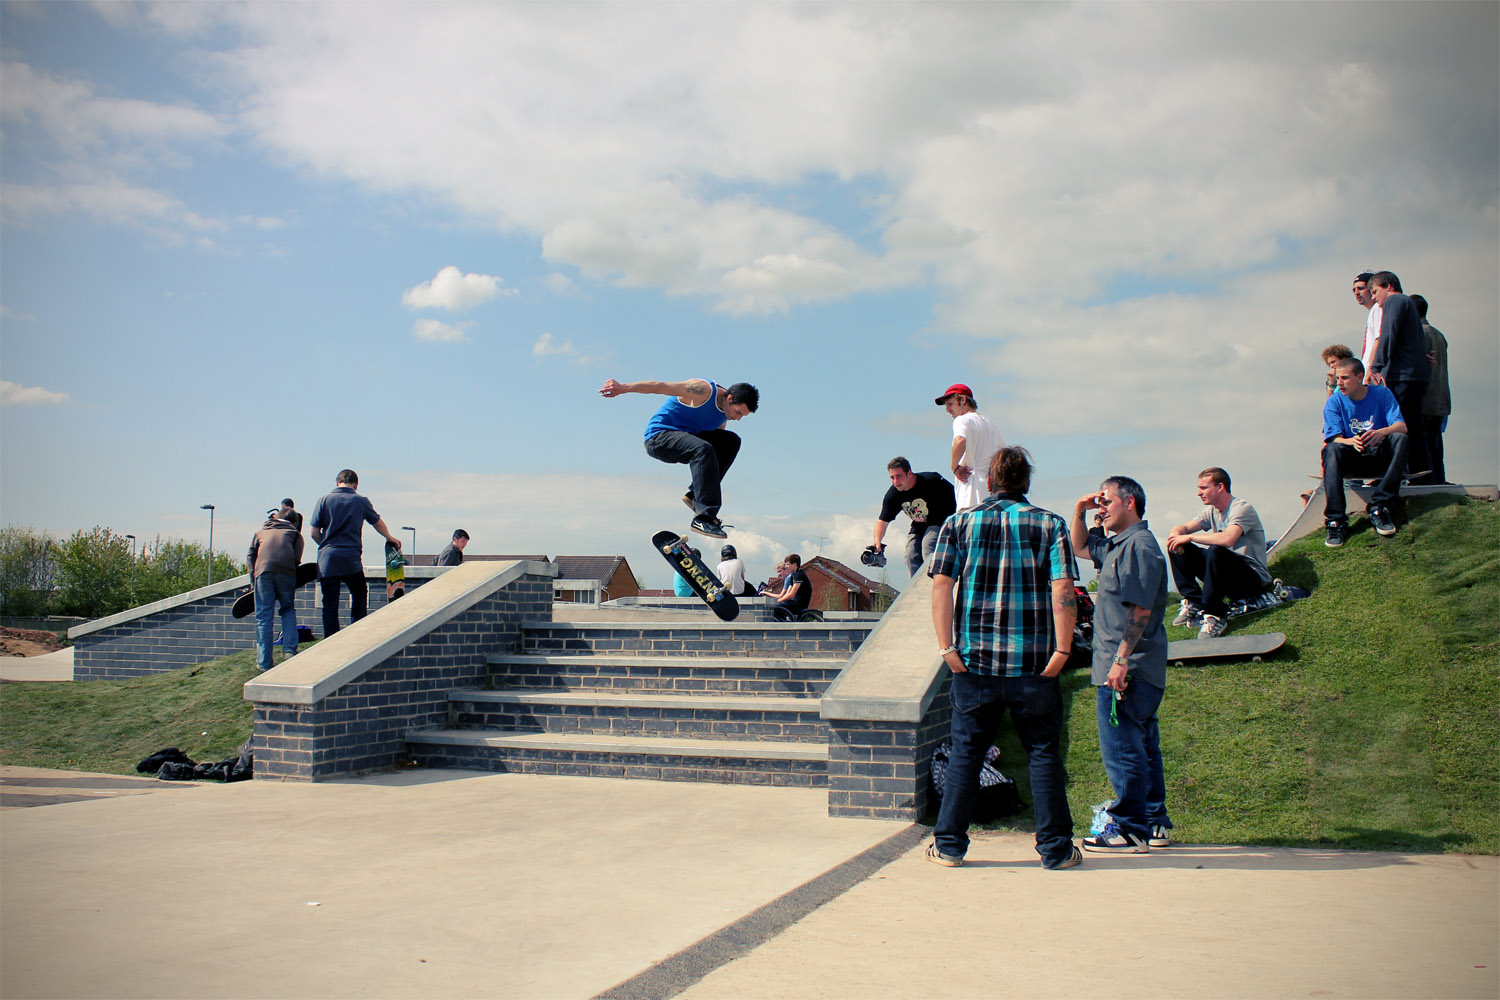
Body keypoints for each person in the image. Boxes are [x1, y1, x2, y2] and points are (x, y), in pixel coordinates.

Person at [926, 447, 1081, 871]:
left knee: (966, 754)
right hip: (1035, 664)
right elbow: (1063, 588)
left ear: (989, 481)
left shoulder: (958, 523)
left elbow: (941, 586)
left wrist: (947, 648)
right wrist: (1063, 650)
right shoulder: (1050, 524)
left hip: (974, 664)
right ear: (1026, 482)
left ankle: (950, 846)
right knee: (1044, 755)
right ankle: (1056, 850)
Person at [1070, 476, 1173, 853]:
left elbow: (1141, 610)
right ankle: (1154, 822)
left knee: (1123, 748)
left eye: (1107, 501)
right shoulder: (1118, 546)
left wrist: (1120, 660)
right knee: (1143, 747)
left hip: (1127, 669)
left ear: (1130, 502)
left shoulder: (1138, 547)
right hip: (1129, 666)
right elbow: (1080, 546)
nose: (1101, 509)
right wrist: (1079, 511)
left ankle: (1130, 828)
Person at [598, 377, 760, 539]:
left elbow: (715, 455)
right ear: (729, 398)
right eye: (738, 412)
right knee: (703, 449)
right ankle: (704, 518)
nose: (738, 418)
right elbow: (660, 386)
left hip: (686, 438)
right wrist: (623, 387)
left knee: (731, 442)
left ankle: (695, 496)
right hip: (658, 437)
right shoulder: (703, 391)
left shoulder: (724, 415)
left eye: (742, 416)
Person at [1165, 468, 1272, 639]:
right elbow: (1183, 527)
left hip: (1251, 578)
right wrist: (1176, 535)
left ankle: (1215, 615)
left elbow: (1228, 539)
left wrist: (1189, 537)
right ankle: (1194, 600)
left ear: (1220, 487)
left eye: (1204, 488)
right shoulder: (1212, 511)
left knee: (1216, 550)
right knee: (1177, 545)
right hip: (1226, 574)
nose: (1199, 493)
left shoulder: (1241, 508)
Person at [1321, 357, 1408, 545]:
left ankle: (1380, 506)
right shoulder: (1335, 401)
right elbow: (1334, 437)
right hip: (1352, 458)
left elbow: (1401, 426)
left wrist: (1381, 432)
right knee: (1332, 449)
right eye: (1338, 378)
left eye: (1345, 378)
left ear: (1360, 377)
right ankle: (1336, 521)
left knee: (1399, 438)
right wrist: (1350, 441)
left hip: (1379, 456)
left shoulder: (1382, 394)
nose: (1340, 383)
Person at [309, 469, 403, 637]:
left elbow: (313, 532)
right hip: (350, 559)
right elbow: (377, 522)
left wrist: (325, 545)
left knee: (329, 603)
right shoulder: (361, 501)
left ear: (337, 482)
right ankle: (356, 634)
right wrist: (389, 537)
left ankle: (331, 640)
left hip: (328, 559)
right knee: (359, 594)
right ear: (356, 485)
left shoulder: (323, 500)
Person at [1369, 271, 1431, 481]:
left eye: (1375, 291)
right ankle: (1421, 472)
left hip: (1403, 376)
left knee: (1398, 424)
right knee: (1414, 425)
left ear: (1388, 286)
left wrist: (1376, 365)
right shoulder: (1408, 304)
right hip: (1416, 375)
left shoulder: (1394, 301)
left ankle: (1399, 471)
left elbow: (1388, 333)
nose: (1374, 298)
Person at [873, 457, 957, 576]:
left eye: (899, 476)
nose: (896, 481)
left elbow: (957, 495)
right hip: (919, 524)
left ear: (909, 473)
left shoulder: (931, 480)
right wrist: (877, 541)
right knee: (910, 554)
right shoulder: (894, 494)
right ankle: (917, 584)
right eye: (892, 477)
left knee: (928, 545)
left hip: (941, 520)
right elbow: (882, 521)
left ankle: (935, 580)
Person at [247, 507, 304, 672]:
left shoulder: (261, 532)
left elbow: (250, 555)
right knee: (287, 609)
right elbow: (296, 559)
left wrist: (252, 579)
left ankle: (264, 662)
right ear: (294, 522)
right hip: (286, 572)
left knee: (264, 616)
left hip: (263, 572)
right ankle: (289, 651)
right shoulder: (295, 535)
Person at [935, 383, 1006, 511]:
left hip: (971, 486)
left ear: (963, 400)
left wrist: (954, 467)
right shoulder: (991, 424)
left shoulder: (962, 420)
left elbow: (960, 441)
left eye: (950, 404)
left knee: (968, 521)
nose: (947, 409)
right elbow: (1003, 455)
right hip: (993, 489)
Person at [1411, 294, 1450, 485]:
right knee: (1435, 447)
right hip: (1440, 399)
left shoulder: (1419, 334)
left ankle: (1428, 483)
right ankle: (1438, 482)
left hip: (1425, 399)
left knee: (1424, 448)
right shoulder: (1438, 334)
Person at [1353, 270, 1382, 385]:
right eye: (1354, 290)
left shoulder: (1379, 308)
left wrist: (1370, 370)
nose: (1356, 293)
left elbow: (1378, 341)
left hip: (1373, 374)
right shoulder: (1373, 311)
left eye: (1361, 288)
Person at [766, 553, 811, 619]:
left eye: (788, 564)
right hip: (793, 602)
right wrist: (780, 600)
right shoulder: (793, 575)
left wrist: (778, 601)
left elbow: (791, 595)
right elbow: (788, 593)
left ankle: (781, 623)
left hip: (799, 603)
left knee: (775, 608)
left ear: (794, 564)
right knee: (776, 607)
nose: (786, 566)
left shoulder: (799, 575)